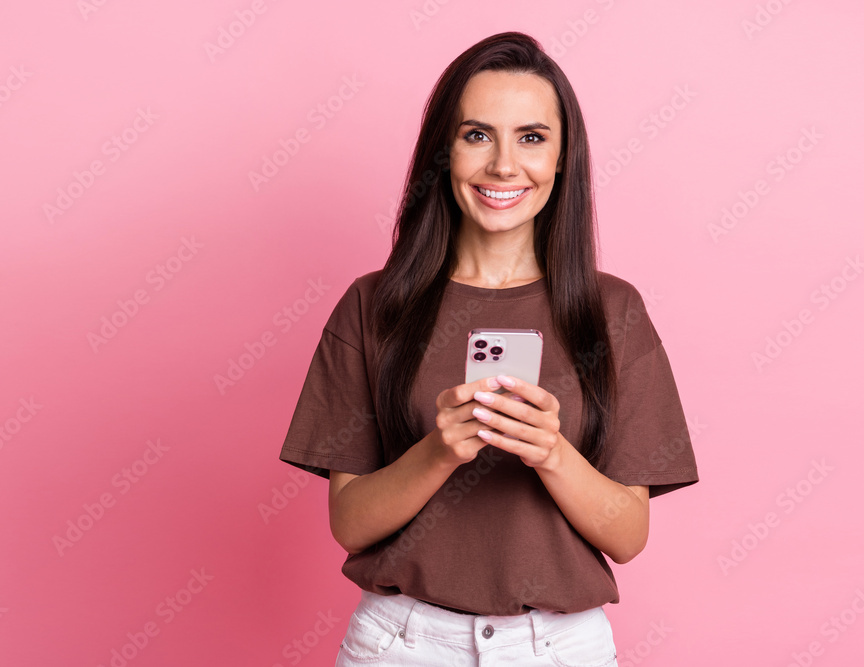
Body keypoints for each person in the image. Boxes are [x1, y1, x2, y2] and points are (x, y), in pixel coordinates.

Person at [278, 31, 699, 666]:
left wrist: (551, 452)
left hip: (560, 647)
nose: (504, 165)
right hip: (402, 644)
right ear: (443, 154)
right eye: (477, 135)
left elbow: (628, 535)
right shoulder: (374, 307)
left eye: (532, 137)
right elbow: (350, 523)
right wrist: (438, 451)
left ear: (563, 159)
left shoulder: (612, 313)